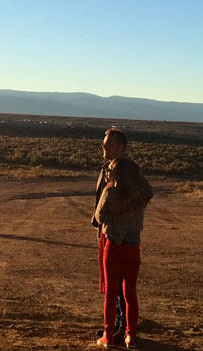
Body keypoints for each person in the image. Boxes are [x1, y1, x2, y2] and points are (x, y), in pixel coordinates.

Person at [95, 154, 152, 350]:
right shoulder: (140, 194)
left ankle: (108, 335)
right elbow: (149, 191)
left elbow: (99, 216)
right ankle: (131, 337)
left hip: (114, 245)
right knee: (130, 294)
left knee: (111, 293)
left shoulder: (111, 192)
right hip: (133, 246)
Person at [92, 127, 129, 343]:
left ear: (121, 148)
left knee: (118, 281)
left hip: (117, 234)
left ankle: (123, 327)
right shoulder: (108, 168)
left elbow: (138, 198)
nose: (104, 146)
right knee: (110, 281)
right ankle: (115, 323)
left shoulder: (125, 173)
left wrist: (120, 210)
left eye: (109, 143)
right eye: (104, 143)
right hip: (106, 231)